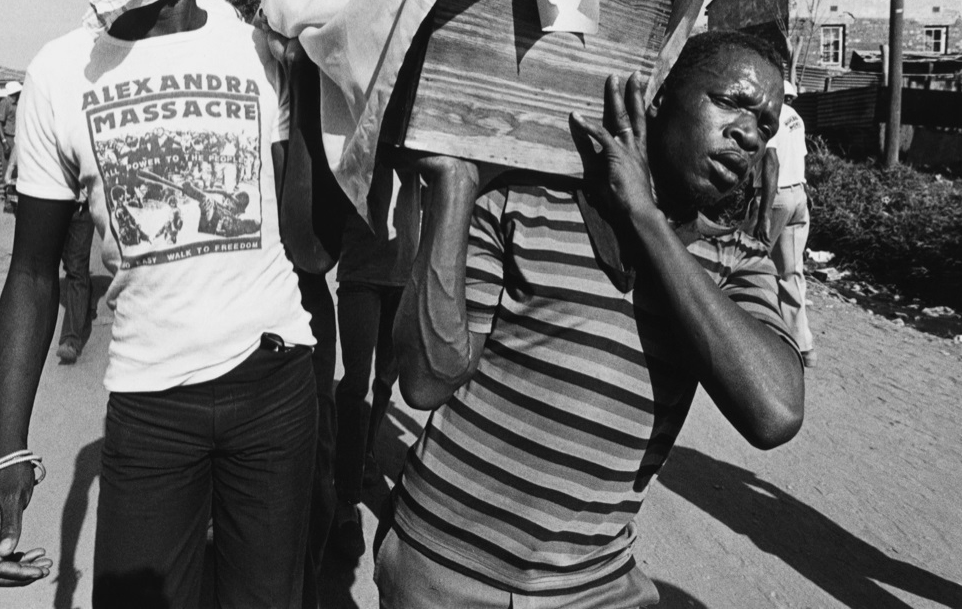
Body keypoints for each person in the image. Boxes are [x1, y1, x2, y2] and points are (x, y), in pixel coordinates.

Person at [0, 0, 317, 607]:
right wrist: (6, 451)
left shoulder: (261, 51)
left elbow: (306, 240)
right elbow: (31, 271)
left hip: (273, 387)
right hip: (150, 402)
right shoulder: (61, 73)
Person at [377, 31, 806, 608]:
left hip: (590, 587)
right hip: (443, 568)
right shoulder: (523, 204)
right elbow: (425, 382)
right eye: (731, 101)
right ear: (658, 97)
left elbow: (775, 413)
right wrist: (455, 184)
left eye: (767, 125)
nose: (750, 133)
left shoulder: (735, 264)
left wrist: (644, 218)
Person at [328, 162, 420, 558]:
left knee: (386, 378)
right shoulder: (362, 127)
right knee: (356, 383)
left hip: (404, 274)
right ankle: (345, 499)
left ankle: (362, 452)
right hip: (360, 273)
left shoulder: (416, 135)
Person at [753, 80, 815, 367]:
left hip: (776, 197)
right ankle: (803, 345)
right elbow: (801, 158)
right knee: (791, 271)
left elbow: (771, 162)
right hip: (798, 194)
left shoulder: (773, 117)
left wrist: (763, 212)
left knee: (752, 261)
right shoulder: (796, 119)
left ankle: (753, 331)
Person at [55, 192, 96, 365]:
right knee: (71, 265)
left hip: (83, 208)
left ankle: (70, 340)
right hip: (55, 208)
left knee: (77, 269)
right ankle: (84, 298)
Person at [0, 80, 21, 210]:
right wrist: (4, 142)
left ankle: (15, 196)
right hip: (7, 138)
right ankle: (7, 199)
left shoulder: (18, 103)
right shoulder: (5, 103)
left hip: (17, 138)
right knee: (7, 167)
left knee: (16, 168)